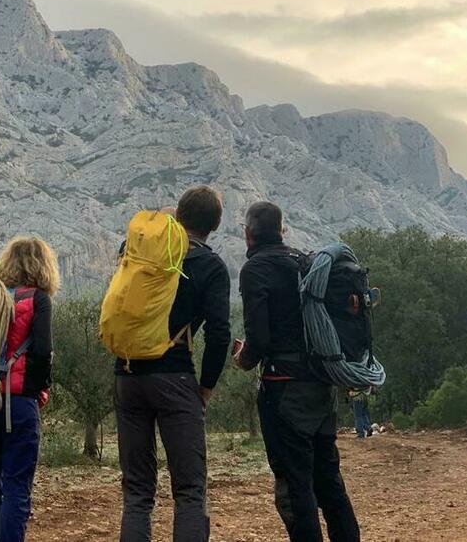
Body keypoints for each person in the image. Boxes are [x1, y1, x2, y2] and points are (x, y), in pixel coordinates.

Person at [234, 201, 360, 542]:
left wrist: (244, 358)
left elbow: (259, 339)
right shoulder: (303, 263)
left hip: (284, 390)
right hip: (321, 386)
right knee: (329, 480)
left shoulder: (255, 270)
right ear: (283, 230)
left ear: (248, 235)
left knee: (295, 486)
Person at [115, 186, 232, 542]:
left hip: (127, 373)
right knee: (189, 491)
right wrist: (205, 389)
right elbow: (220, 334)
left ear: (178, 217)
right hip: (175, 378)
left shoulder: (136, 254)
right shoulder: (210, 265)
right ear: (214, 225)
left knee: (137, 493)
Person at [0, 237, 60, 542]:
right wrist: (40, 390)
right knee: (16, 488)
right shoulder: (38, 300)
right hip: (19, 404)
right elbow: (43, 353)